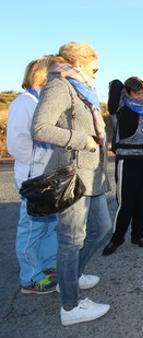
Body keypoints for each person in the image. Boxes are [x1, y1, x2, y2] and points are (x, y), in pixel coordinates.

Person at [32, 42, 111, 326]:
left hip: (92, 174)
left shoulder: (82, 87)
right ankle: (70, 305)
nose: (97, 73)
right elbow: (39, 128)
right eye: (95, 67)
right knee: (71, 240)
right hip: (73, 175)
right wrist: (82, 140)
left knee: (102, 229)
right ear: (78, 63)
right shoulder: (60, 86)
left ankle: (71, 277)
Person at [102, 77, 143, 255]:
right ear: (128, 93)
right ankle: (116, 238)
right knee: (126, 202)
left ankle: (137, 234)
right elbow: (115, 84)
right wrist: (124, 91)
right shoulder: (120, 107)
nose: (142, 96)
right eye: (138, 93)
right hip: (129, 160)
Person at [7, 57, 58, 294]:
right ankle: (30, 278)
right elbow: (16, 144)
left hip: (48, 175)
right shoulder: (24, 103)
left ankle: (47, 263)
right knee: (31, 227)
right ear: (43, 76)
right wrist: (38, 163)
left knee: (49, 224)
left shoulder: (44, 102)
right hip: (33, 176)